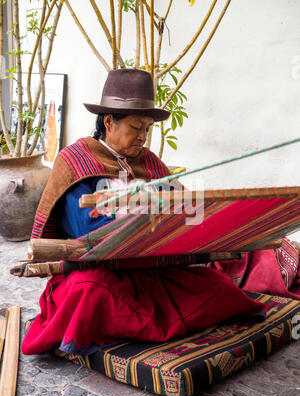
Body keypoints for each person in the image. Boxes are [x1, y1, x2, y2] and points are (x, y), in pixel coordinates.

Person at [22, 69, 296, 357]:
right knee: (89, 292)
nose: (143, 137)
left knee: (216, 287)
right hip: (98, 272)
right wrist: (144, 215)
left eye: (147, 129)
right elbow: (88, 232)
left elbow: (185, 209)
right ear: (108, 122)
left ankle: (133, 326)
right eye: (136, 128)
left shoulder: (150, 163)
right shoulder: (75, 162)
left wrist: (207, 222)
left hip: (151, 270)